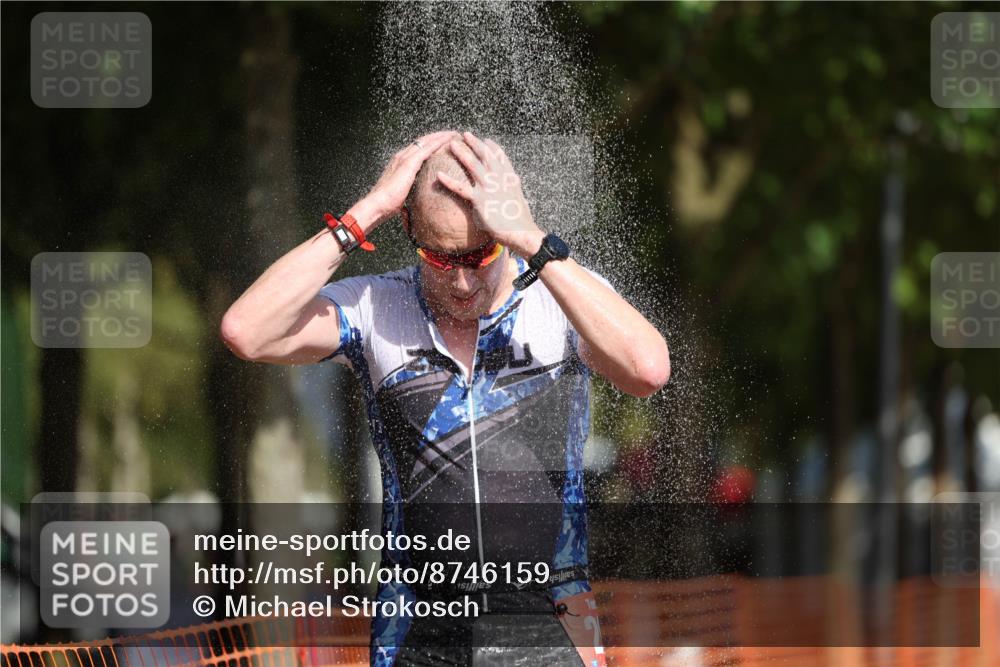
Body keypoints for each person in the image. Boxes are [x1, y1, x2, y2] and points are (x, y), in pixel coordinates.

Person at [221, 130, 670, 666]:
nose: (461, 282)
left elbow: (648, 369)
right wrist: (366, 213)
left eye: (479, 254)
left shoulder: (558, 297)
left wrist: (531, 238)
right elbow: (246, 331)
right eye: (439, 257)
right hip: (417, 635)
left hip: (550, 631)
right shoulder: (374, 307)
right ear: (408, 228)